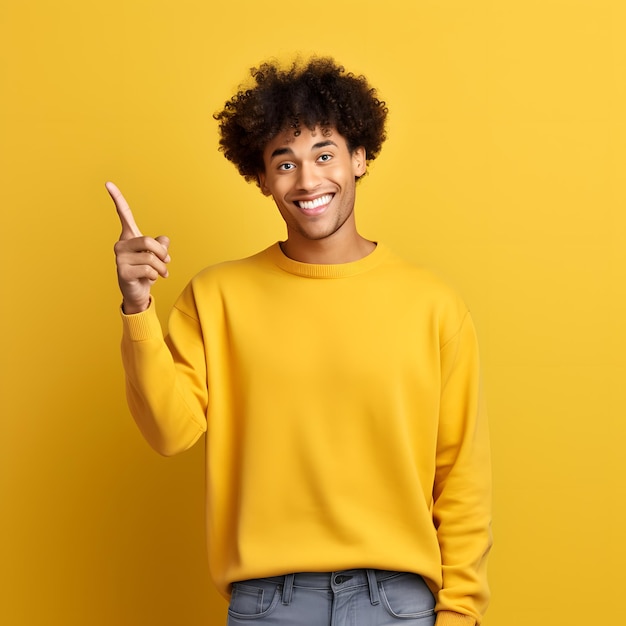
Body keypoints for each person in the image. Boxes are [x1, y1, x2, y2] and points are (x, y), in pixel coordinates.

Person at [107, 57, 492, 626]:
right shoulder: (217, 297)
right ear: (261, 178)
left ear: (360, 157)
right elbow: (169, 431)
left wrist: (461, 614)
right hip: (267, 604)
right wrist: (137, 307)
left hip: (398, 603)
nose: (308, 180)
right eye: (284, 162)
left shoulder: (432, 305)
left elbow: (460, 477)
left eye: (325, 155)